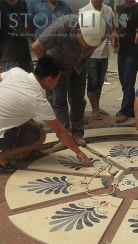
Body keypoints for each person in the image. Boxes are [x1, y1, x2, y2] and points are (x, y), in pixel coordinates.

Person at [0, 55, 91, 173]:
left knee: (30, 126)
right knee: (40, 136)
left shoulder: (17, 72)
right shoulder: (37, 100)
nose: (57, 82)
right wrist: (78, 152)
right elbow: (61, 132)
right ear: (48, 79)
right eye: (57, 79)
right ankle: (3, 157)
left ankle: (25, 154)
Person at [32, 10, 107, 150]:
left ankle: (77, 133)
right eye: (86, 42)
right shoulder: (61, 26)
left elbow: (101, 38)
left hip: (79, 64)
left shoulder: (98, 26)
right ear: (78, 31)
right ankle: (64, 136)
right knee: (59, 100)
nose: (87, 45)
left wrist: (89, 54)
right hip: (58, 63)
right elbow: (36, 46)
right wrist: (49, 67)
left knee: (78, 98)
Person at [26, 0, 73, 106]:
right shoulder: (34, 4)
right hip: (44, 50)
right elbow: (28, 26)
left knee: (63, 81)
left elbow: (70, 26)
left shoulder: (64, 6)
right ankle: (51, 110)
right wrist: (37, 42)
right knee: (48, 80)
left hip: (62, 53)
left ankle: (69, 110)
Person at [80, 0, 116, 121]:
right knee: (92, 81)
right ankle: (94, 108)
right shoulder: (84, 11)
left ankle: (98, 106)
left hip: (104, 53)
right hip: (91, 54)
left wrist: (113, 34)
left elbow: (112, 28)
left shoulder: (108, 10)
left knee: (100, 81)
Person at [0, 0, 33, 72]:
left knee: (28, 81)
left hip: (25, 54)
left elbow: (27, 26)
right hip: (9, 55)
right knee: (13, 81)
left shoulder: (23, 4)